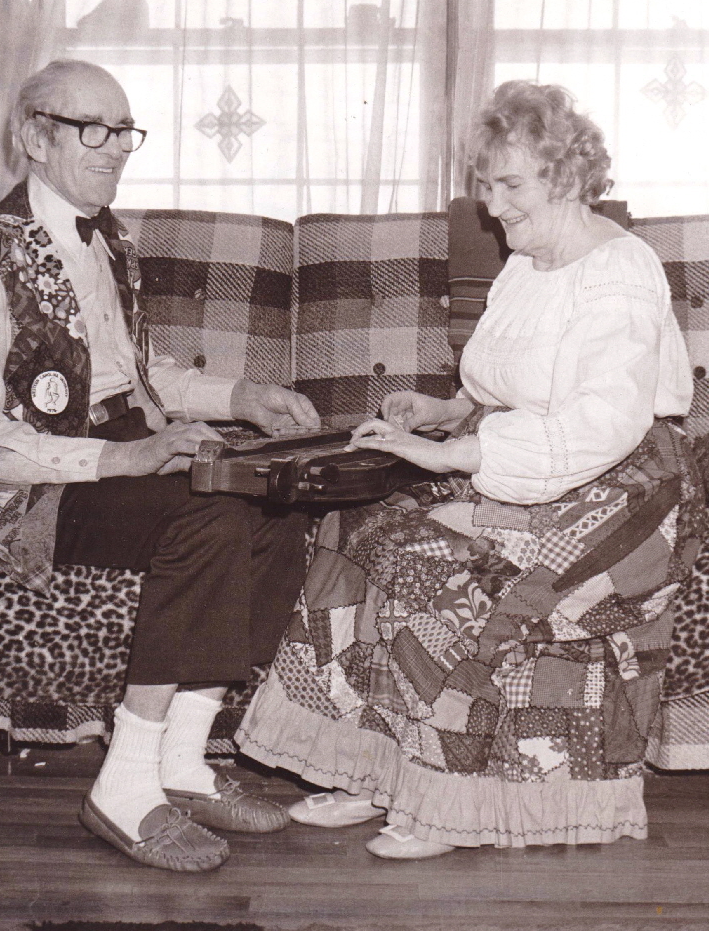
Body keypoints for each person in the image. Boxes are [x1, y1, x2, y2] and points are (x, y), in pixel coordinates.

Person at [237, 80, 706, 859]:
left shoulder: (620, 271)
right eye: (485, 186)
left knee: (446, 566)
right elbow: (498, 386)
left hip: (621, 489)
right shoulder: (527, 264)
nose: (493, 205)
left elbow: (602, 422)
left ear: (567, 176)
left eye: (511, 185)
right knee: (357, 527)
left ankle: (447, 796)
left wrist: (463, 454)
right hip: (525, 459)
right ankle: (380, 768)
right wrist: (442, 411)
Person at [0, 59, 321, 872]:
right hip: (28, 488)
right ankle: (124, 783)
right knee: (208, 516)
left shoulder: (110, 238)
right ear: (34, 137)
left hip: (116, 454)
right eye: (93, 130)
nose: (115, 150)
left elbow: (142, 375)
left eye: (124, 132)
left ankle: (181, 761)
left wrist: (242, 396)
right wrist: (126, 456)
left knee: (277, 503)